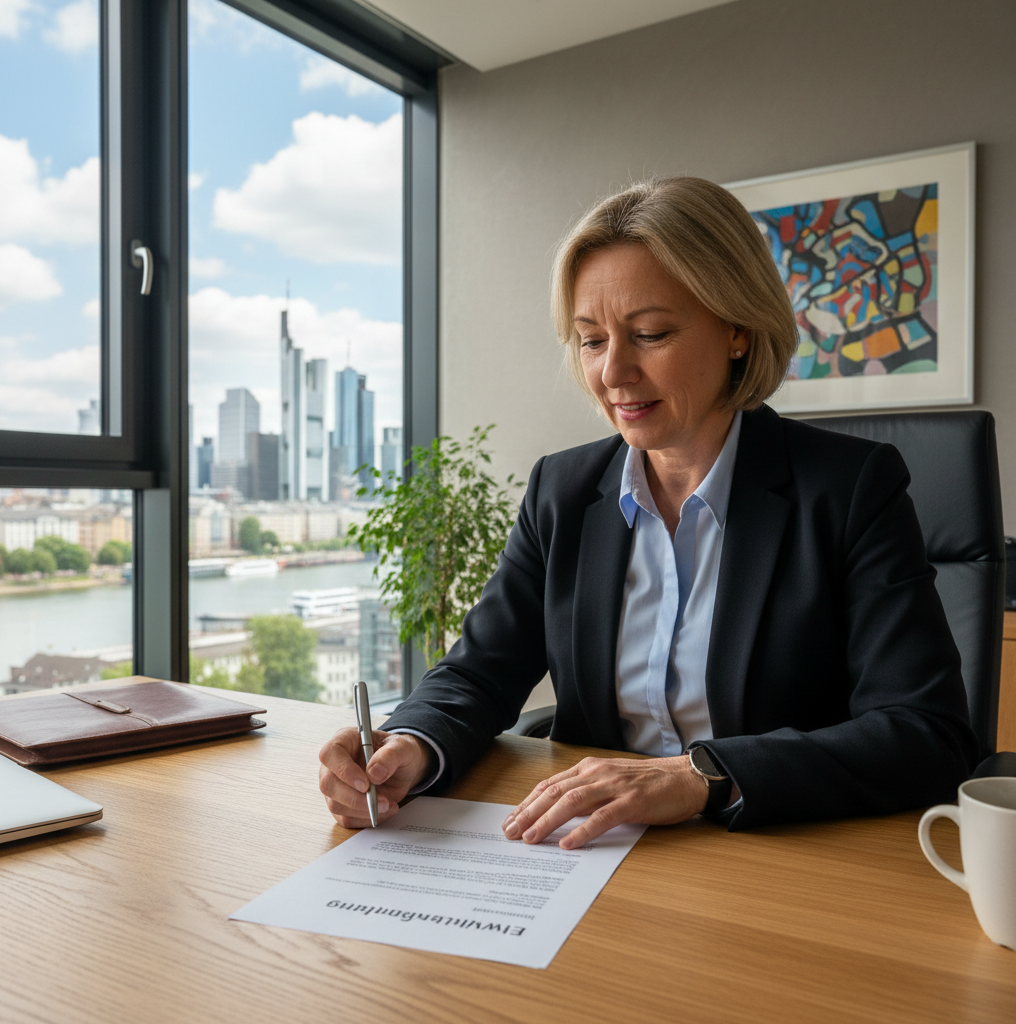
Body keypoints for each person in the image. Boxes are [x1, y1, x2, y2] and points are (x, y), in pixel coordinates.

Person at [318, 177, 977, 849]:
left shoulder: (850, 489)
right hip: (589, 849)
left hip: (774, 852)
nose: (612, 373)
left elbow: (926, 732)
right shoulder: (563, 490)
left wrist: (702, 777)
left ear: (738, 331)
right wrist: (410, 743)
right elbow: (482, 669)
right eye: (592, 340)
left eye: (650, 334)